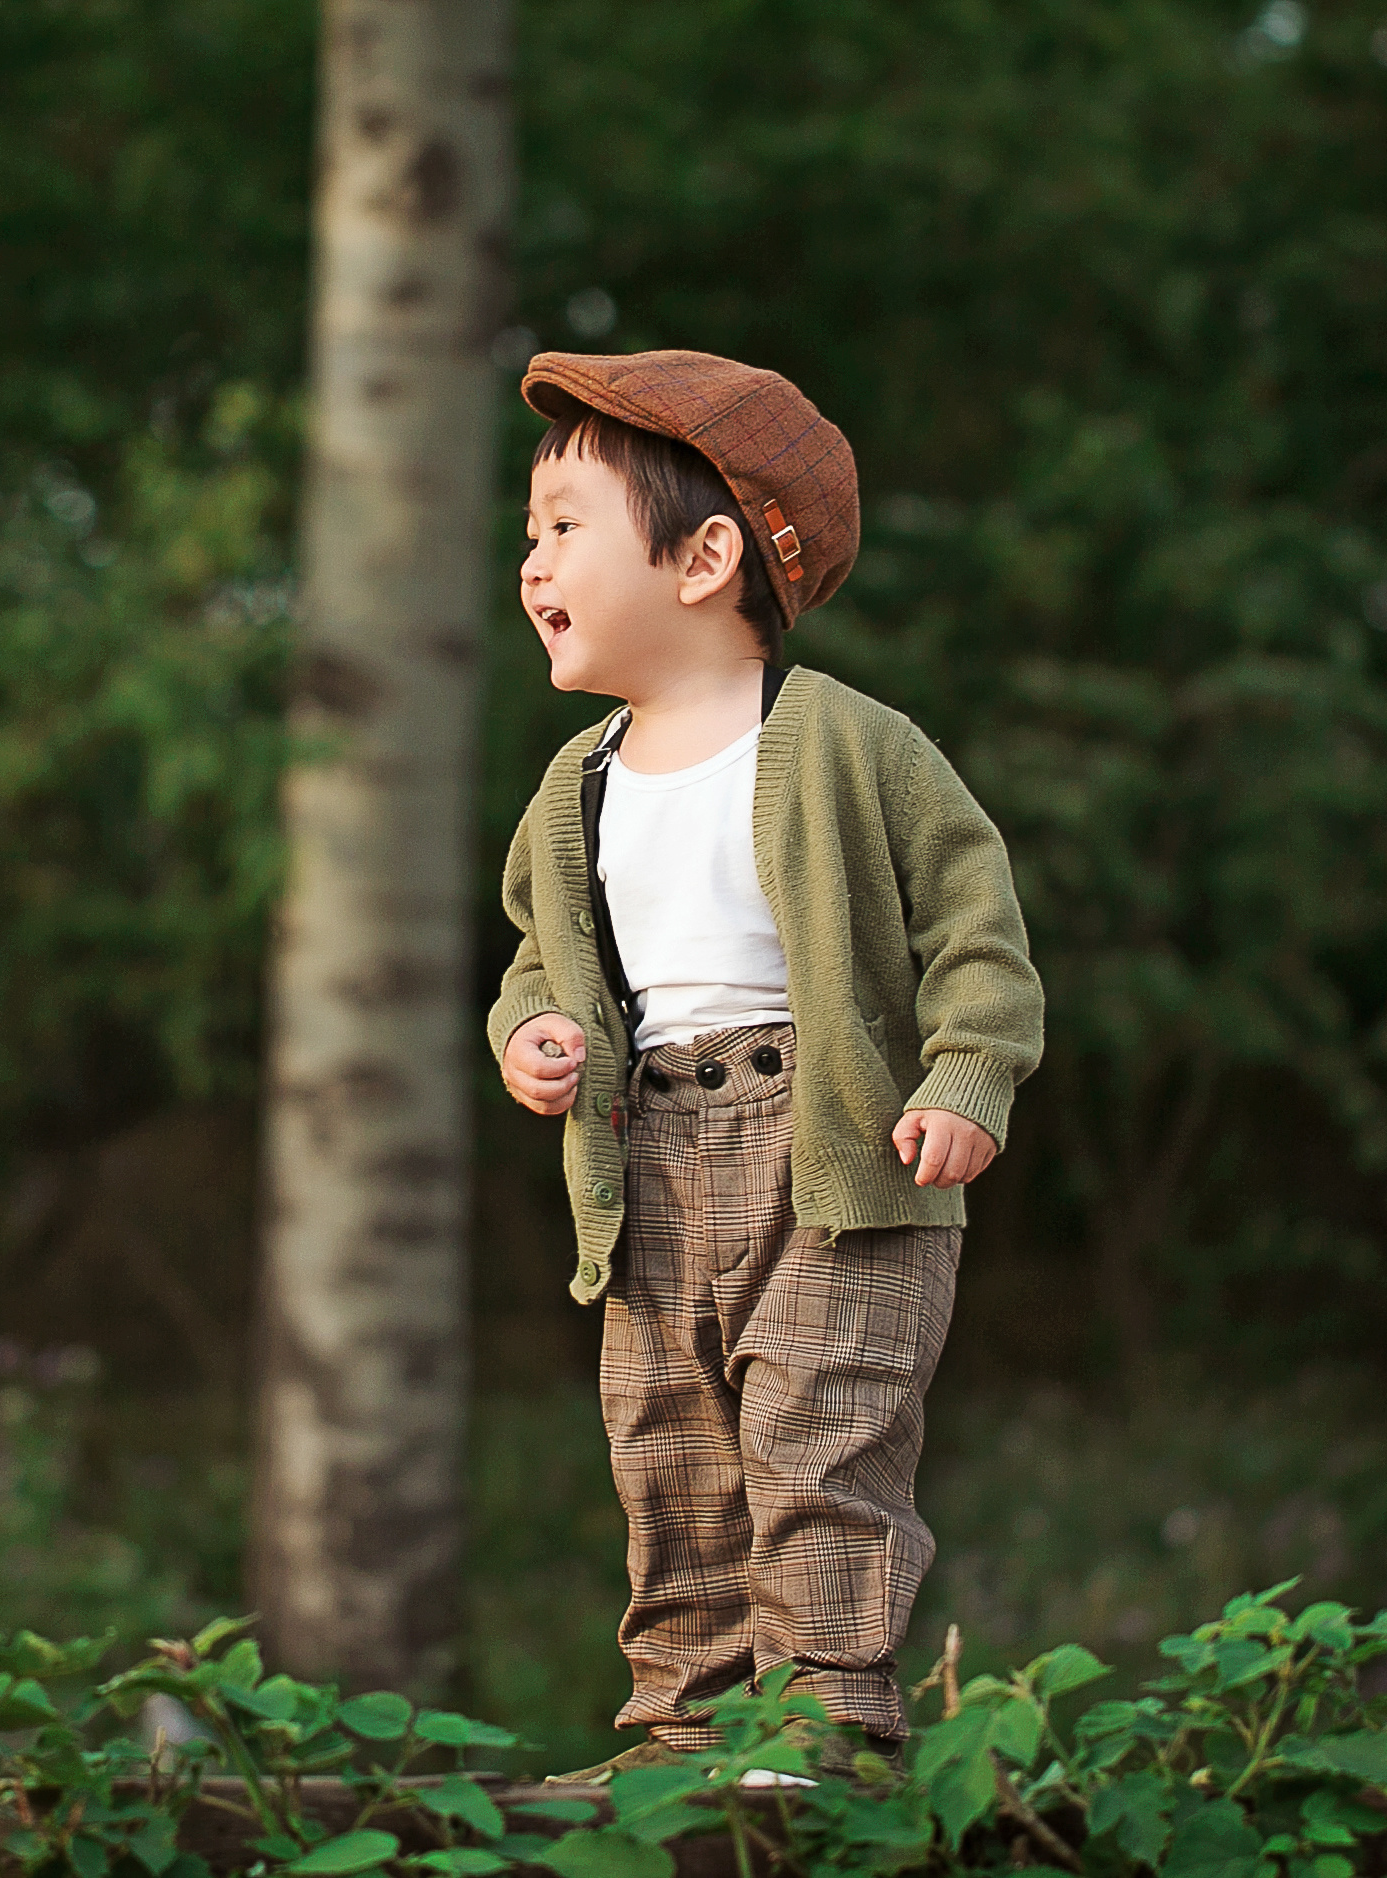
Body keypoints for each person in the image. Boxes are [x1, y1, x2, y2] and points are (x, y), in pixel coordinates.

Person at [488, 350, 1043, 1780]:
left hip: (835, 1147)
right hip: (649, 1150)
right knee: (666, 1451)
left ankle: (823, 1723)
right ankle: (682, 1728)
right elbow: (539, 956)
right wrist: (531, 1034)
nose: (529, 557)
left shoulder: (852, 745)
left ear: (706, 555)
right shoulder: (574, 785)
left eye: (562, 525)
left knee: (817, 1435)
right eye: (527, 531)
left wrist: (964, 1077)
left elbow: (974, 929)